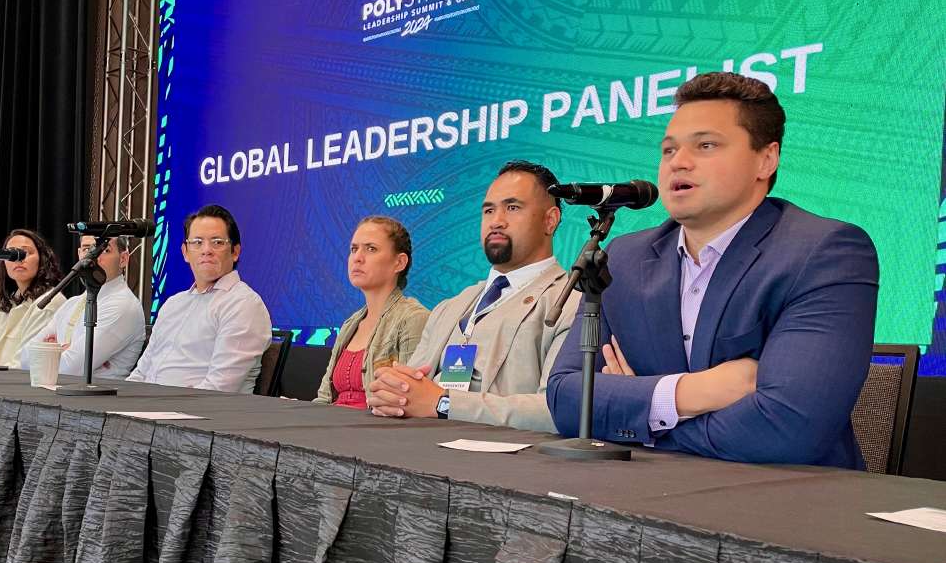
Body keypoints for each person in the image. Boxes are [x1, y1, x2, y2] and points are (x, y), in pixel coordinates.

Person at [546, 72, 878, 469]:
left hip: (786, 505)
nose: (678, 163)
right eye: (668, 151)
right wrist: (691, 394)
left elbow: (789, 427)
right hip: (642, 497)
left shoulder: (824, 251)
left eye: (705, 145)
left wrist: (637, 416)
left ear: (765, 159)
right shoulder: (624, 257)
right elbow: (566, 401)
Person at [366, 160, 577, 431]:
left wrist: (445, 404)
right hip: (422, 450)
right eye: (489, 210)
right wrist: (389, 392)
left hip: (505, 462)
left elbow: (560, 409)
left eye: (513, 208)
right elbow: (411, 390)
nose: (496, 221)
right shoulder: (450, 306)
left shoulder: (573, 303)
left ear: (550, 220)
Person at [128, 204, 271, 393]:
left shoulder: (243, 304)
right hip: (147, 409)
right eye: (197, 242)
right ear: (185, 252)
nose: (206, 250)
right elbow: (142, 371)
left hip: (199, 415)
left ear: (235, 252)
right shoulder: (173, 303)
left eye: (217, 242)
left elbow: (218, 388)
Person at [313, 216, 428, 409]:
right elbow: (324, 398)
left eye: (371, 249)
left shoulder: (414, 318)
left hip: (376, 433)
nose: (357, 257)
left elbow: (409, 401)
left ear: (399, 263)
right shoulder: (351, 323)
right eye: (354, 249)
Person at [19, 235, 146, 379]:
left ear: (123, 259)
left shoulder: (124, 306)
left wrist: (52, 353)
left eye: (103, 250)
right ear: (79, 254)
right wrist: (60, 355)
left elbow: (70, 369)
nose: (92, 257)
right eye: (87, 249)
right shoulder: (71, 304)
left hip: (99, 398)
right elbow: (24, 358)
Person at [0, 229, 66, 367]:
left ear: (42, 259)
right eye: (11, 254)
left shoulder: (50, 302)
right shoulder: (1, 305)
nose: (18, 259)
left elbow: (23, 363)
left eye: (26, 252)